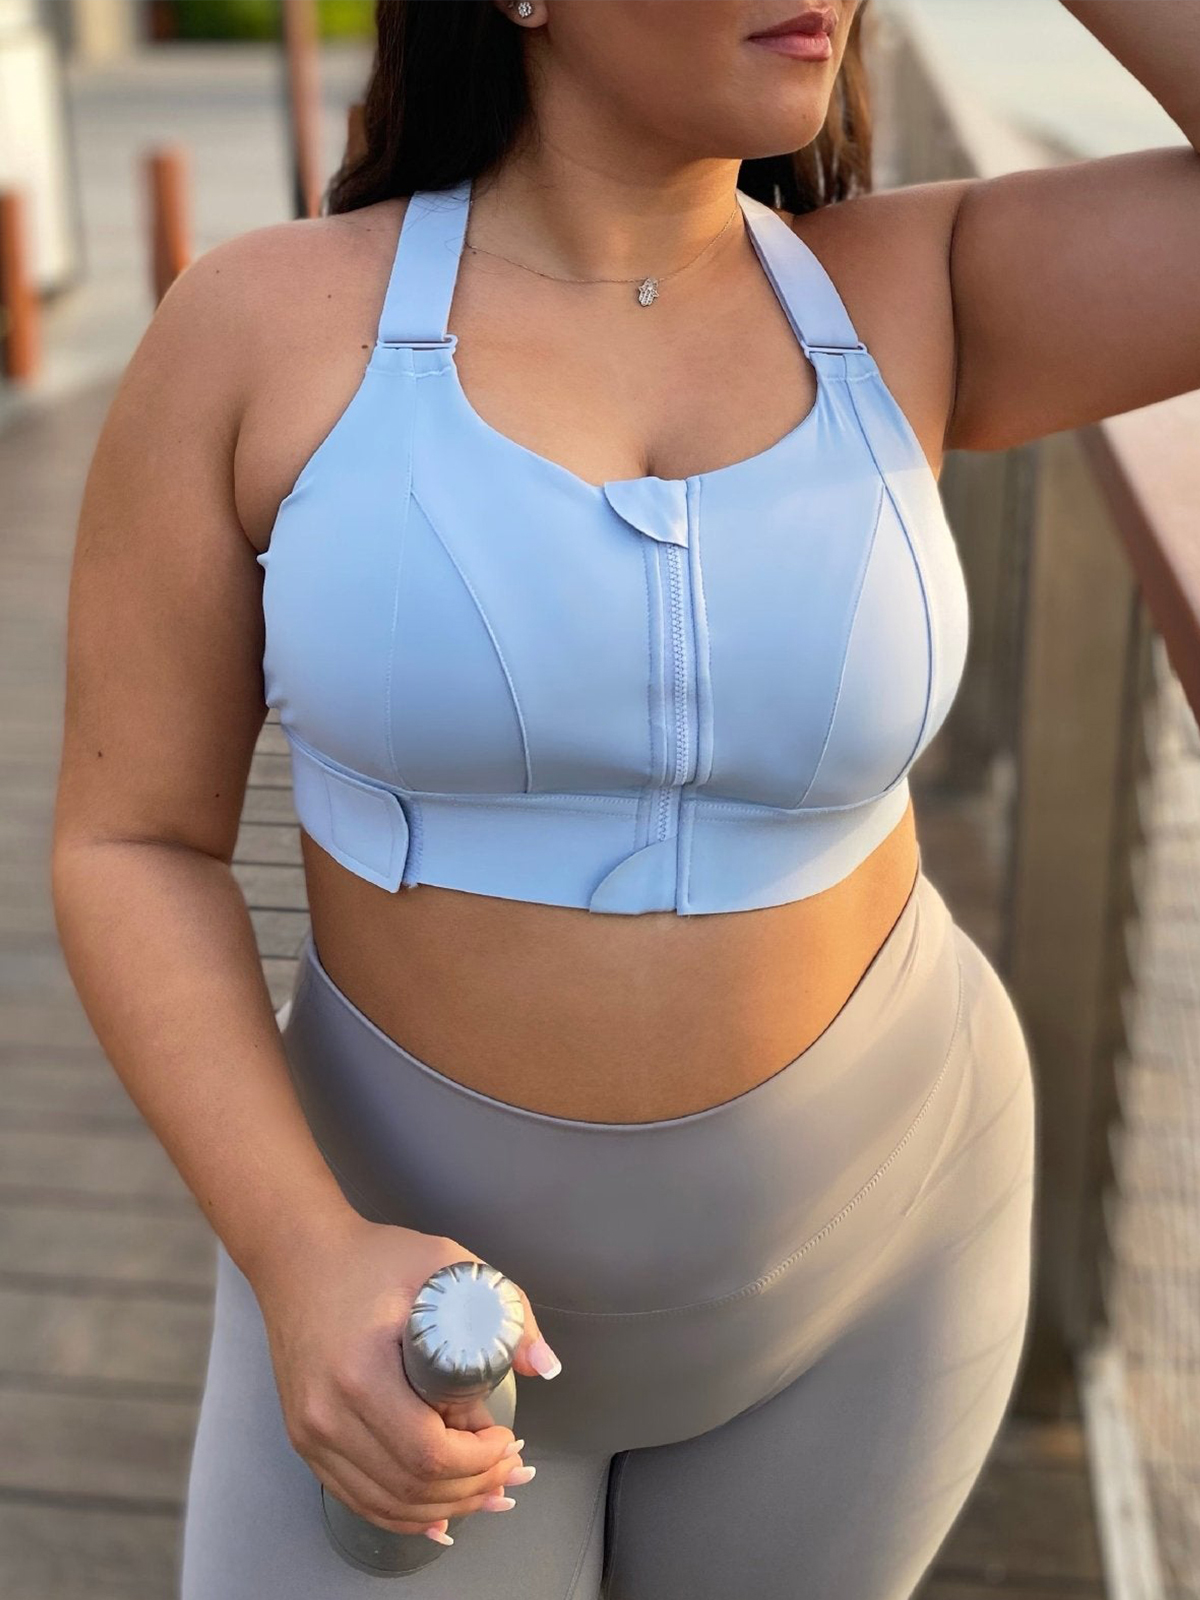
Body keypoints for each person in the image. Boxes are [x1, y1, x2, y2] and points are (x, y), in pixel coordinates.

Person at [50, 1, 1200, 1596]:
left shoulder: (915, 288)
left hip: (882, 1263)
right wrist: (299, 1252)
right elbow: (132, 840)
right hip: (399, 1300)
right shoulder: (263, 325)